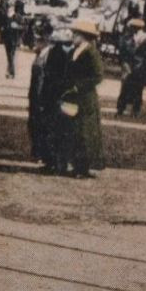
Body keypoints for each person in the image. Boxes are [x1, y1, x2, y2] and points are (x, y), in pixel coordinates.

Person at [58, 18, 106, 178]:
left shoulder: (91, 52)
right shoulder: (74, 51)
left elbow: (98, 76)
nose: (73, 36)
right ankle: (76, 165)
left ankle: (83, 168)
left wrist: (79, 86)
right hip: (73, 97)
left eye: (75, 34)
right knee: (74, 131)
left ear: (84, 36)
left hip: (85, 98)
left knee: (85, 133)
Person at [30, 25, 70, 172]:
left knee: (52, 130)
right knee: (50, 130)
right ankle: (51, 161)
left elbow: (48, 78)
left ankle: (54, 163)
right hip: (49, 97)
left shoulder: (53, 53)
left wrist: (42, 98)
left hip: (51, 97)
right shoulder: (50, 53)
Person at [115, 18, 146, 117]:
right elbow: (122, 53)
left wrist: (145, 66)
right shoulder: (125, 38)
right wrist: (124, 64)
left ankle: (136, 109)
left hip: (141, 66)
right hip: (128, 65)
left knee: (138, 89)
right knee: (125, 87)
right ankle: (120, 108)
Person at [0, 0, 22, 79]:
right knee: (10, 56)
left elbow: (23, 28)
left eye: (11, 7)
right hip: (8, 39)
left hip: (14, 39)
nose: (9, 9)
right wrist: (2, 28)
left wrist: (16, 27)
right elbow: (1, 26)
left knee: (11, 56)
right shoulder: (5, 16)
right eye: (9, 7)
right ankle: (10, 71)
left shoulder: (18, 16)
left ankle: (11, 72)